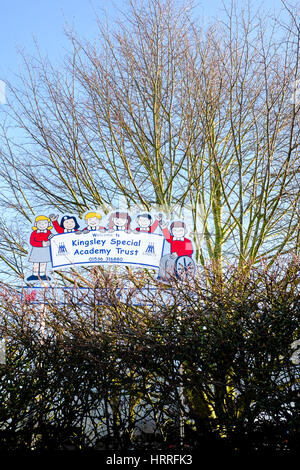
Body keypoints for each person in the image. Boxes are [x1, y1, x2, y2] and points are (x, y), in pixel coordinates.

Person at [27, 215, 53, 282]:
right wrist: (41, 244)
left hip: (45, 250)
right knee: (35, 262)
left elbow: (52, 240)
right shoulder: (34, 233)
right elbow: (32, 242)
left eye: (44, 223)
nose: (42, 225)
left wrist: (50, 241)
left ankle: (42, 274)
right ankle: (35, 274)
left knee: (43, 263)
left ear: (48, 224)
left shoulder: (48, 232)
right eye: (40, 223)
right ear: (36, 224)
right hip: (36, 250)